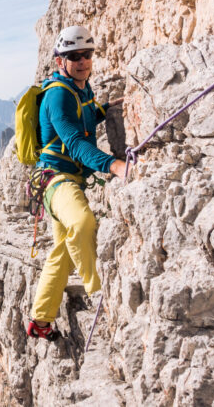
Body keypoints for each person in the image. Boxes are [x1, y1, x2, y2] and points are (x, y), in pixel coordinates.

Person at [26, 25, 129, 341]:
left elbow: (79, 119)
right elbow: (73, 142)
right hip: (57, 181)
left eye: (87, 54)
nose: (82, 60)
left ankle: (39, 320)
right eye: (73, 56)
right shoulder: (58, 95)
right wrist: (113, 164)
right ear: (60, 61)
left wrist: (105, 109)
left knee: (63, 251)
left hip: (59, 180)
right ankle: (101, 289)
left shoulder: (79, 91)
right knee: (82, 224)